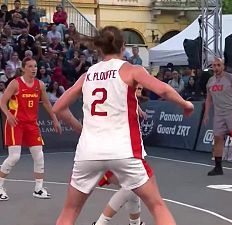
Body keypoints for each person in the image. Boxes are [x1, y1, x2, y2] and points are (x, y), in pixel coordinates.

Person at [53, 26, 193, 225]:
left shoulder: (88, 75)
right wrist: (185, 104)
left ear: (100, 48)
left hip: (89, 152)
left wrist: (82, 130)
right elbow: (164, 90)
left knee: (70, 211)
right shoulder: (130, 70)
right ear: (123, 46)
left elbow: (59, 108)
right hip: (124, 150)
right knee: (157, 206)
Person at [0, 57, 62, 201]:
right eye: (30, 66)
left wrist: (55, 119)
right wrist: (8, 115)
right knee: (14, 156)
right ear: (23, 68)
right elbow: (2, 102)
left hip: (31, 124)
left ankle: (38, 189)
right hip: (16, 123)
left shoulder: (39, 84)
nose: (34, 69)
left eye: (35, 66)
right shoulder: (15, 83)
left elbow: (46, 103)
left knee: (39, 155)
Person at [94, 84, 148, 225]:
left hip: (128, 152)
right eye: (136, 88)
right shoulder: (121, 105)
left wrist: (138, 107)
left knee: (133, 188)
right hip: (117, 152)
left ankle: (135, 223)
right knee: (132, 187)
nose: (139, 91)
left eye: (141, 89)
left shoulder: (133, 105)